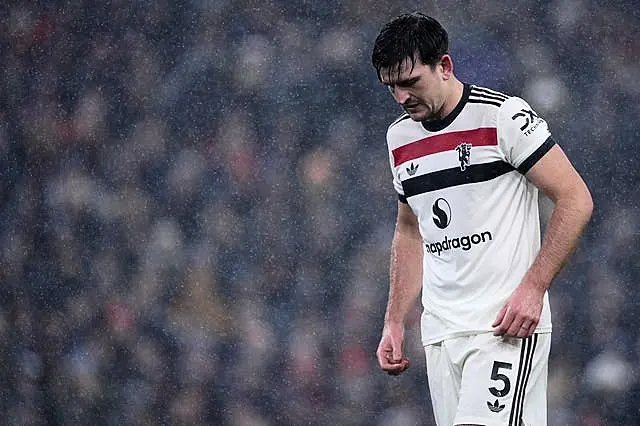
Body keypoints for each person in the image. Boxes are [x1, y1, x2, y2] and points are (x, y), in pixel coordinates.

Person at [371, 12, 593, 426]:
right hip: (441, 333)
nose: (402, 97)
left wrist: (533, 288)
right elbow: (409, 229)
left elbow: (575, 198)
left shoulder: (502, 118)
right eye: (392, 88)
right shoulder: (399, 139)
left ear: (445, 67)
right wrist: (394, 320)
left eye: (411, 82)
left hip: (503, 327)